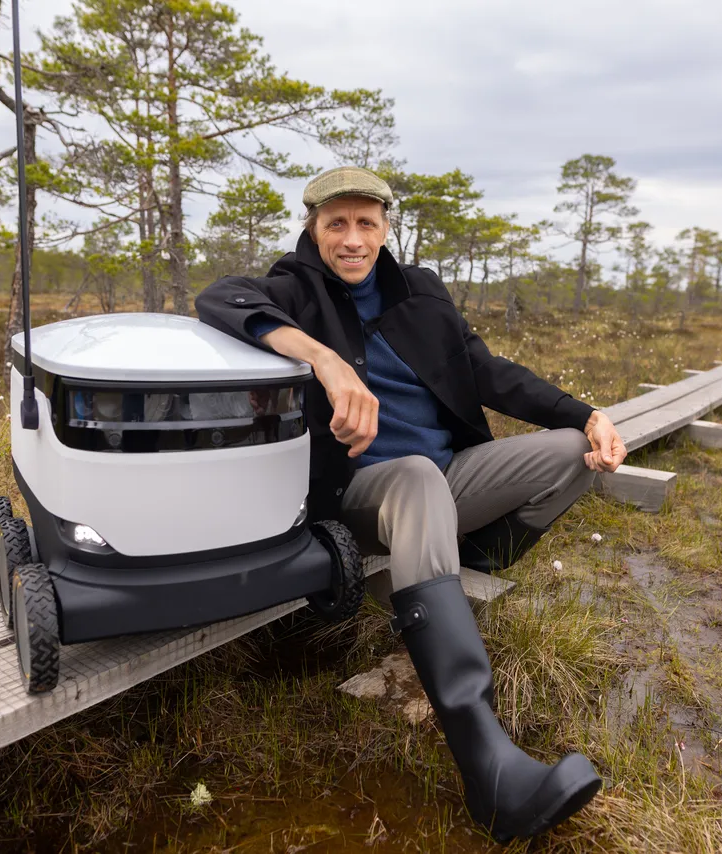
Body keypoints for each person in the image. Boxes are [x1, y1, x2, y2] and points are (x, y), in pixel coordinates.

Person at [196, 165, 628, 841]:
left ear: (386, 227)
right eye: (336, 223)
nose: (352, 238)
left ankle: (447, 572)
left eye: (366, 222)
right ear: (313, 227)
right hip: (361, 495)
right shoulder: (293, 287)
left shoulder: (421, 290)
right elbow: (220, 298)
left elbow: (489, 372)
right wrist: (324, 361)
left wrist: (588, 412)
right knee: (419, 479)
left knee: (572, 451)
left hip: (443, 476)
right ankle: (487, 762)